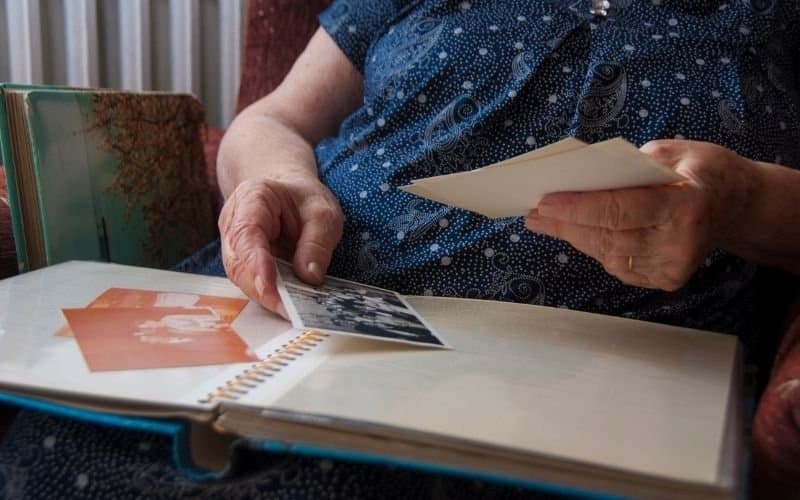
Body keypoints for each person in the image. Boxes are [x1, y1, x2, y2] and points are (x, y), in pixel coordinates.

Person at [2, 1, 800, 498]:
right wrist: (277, 184)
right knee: (54, 426)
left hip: (566, 407)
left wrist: (748, 203)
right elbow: (271, 120)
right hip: (288, 317)